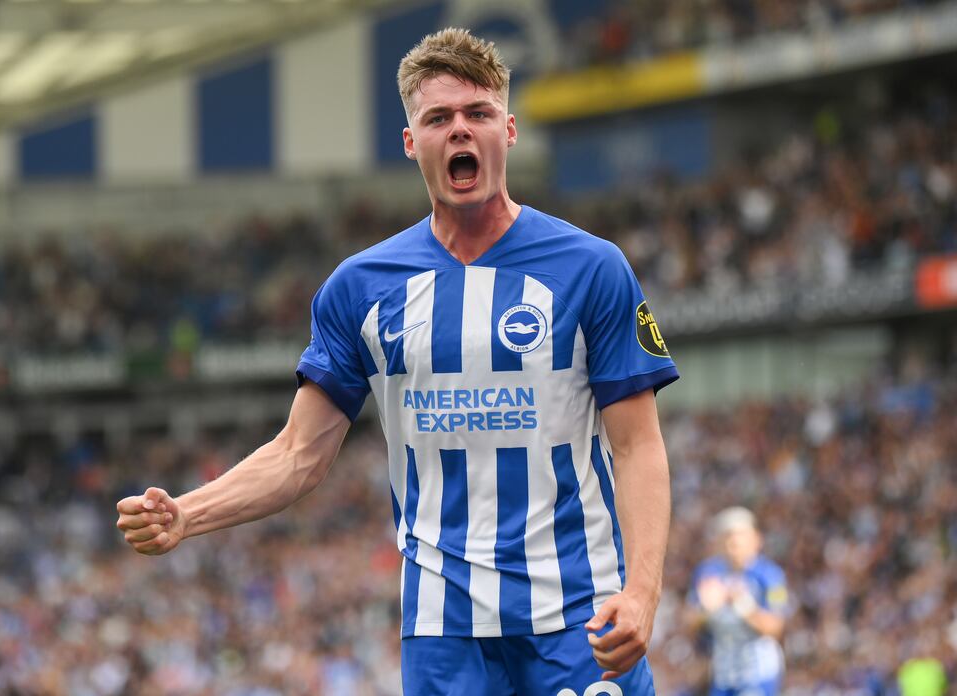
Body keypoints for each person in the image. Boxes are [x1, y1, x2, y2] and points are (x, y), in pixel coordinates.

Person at [116, 27, 678, 696]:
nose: (459, 130)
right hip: (444, 632)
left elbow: (638, 447)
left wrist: (642, 593)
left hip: (579, 615)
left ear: (509, 131)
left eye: (478, 113)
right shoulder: (361, 287)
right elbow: (298, 454)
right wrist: (187, 513)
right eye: (438, 118)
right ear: (412, 142)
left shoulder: (591, 268)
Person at [688, 506, 789, 696]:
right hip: (723, 673)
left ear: (756, 538)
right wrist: (706, 610)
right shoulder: (707, 573)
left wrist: (743, 605)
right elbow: (689, 622)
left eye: (740, 534)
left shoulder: (770, 575)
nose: (733, 541)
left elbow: (776, 627)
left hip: (758, 671)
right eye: (727, 535)